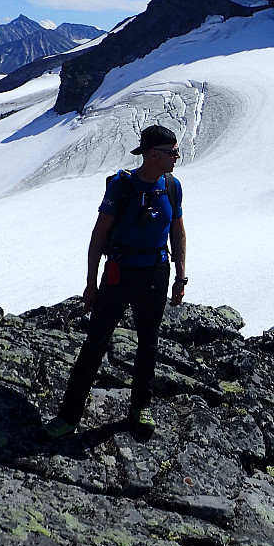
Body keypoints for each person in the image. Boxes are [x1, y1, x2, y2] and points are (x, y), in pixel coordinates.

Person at [44, 124, 186, 438]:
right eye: (172, 152)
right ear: (153, 155)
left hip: (155, 272)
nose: (177, 156)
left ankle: (140, 407)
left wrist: (180, 277)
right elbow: (98, 236)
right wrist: (91, 283)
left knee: (148, 344)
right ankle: (69, 416)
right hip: (120, 273)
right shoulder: (121, 186)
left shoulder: (173, 186)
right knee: (96, 343)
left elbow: (177, 231)